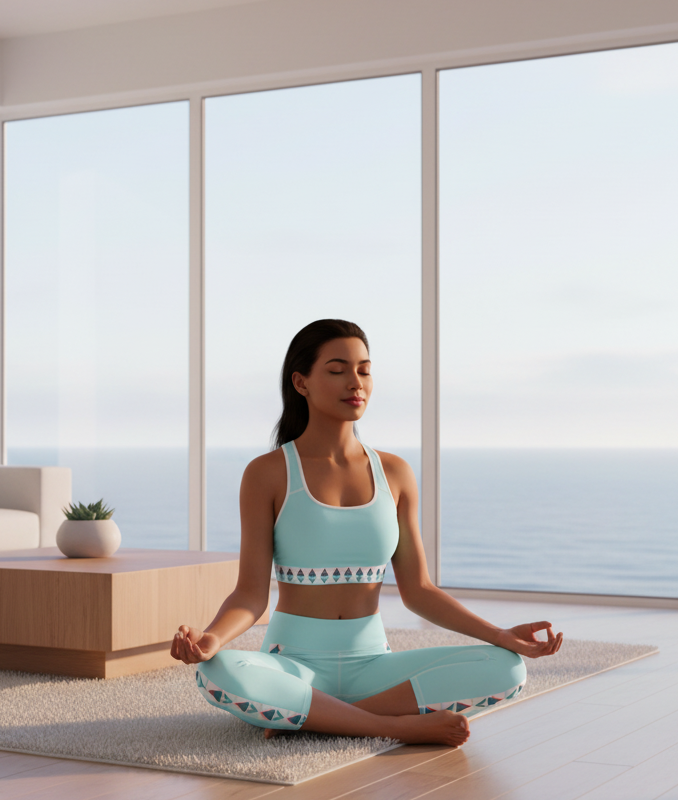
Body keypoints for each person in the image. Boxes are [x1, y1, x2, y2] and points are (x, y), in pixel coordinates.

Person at [171, 319, 563, 747]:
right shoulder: (267, 474)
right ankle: (392, 725)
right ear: (300, 382)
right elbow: (249, 594)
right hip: (293, 664)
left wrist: (501, 635)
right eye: (337, 370)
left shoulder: (395, 473)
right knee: (217, 672)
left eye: (364, 369)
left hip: (375, 667)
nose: (354, 382)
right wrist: (209, 640)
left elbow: (419, 590)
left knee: (507, 668)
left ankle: (313, 716)